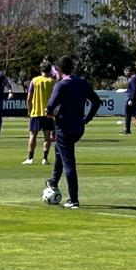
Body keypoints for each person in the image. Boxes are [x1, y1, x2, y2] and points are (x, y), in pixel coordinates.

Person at [44, 55, 102, 209]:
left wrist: (52, 112)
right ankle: (54, 181)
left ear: (59, 70)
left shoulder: (61, 85)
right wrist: (87, 119)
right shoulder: (81, 82)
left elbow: (49, 108)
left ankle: (74, 199)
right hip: (78, 127)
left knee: (69, 162)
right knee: (59, 151)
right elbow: (96, 101)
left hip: (65, 128)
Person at [22, 59, 56, 166]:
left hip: (36, 112)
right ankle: (45, 158)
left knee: (32, 135)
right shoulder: (53, 82)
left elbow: (29, 98)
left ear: (40, 69)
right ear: (50, 70)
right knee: (47, 136)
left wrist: (29, 109)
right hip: (48, 113)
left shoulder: (34, 81)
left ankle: (30, 158)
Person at [122, 64, 136, 136]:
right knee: (135, 114)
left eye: (126, 72)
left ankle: (127, 129)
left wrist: (131, 99)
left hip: (132, 99)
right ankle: (127, 129)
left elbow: (135, 90)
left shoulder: (133, 78)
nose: (125, 73)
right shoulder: (133, 78)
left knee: (128, 113)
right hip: (133, 98)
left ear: (130, 71)